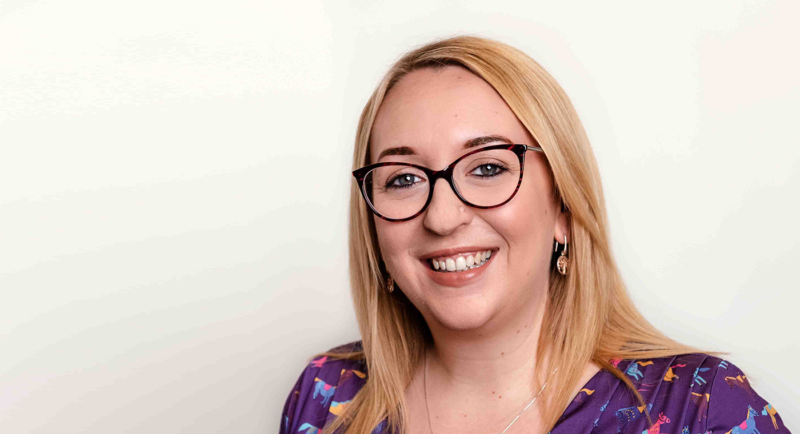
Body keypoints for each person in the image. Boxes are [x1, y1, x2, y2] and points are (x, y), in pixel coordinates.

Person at [279, 36, 791, 434]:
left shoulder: (700, 410)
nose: (442, 217)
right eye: (403, 180)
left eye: (486, 169)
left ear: (565, 206)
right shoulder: (326, 398)